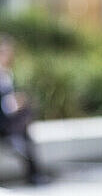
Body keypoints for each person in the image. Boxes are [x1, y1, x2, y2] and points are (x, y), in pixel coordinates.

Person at [0, 34, 49, 185]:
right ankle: (34, 174)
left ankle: (34, 173)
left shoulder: (7, 74)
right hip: (3, 123)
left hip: (8, 122)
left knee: (26, 120)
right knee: (23, 130)